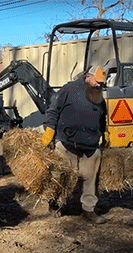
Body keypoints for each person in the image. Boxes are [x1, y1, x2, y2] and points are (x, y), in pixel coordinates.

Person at [41, 66, 108, 224]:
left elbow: (102, 117)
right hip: (67, 144)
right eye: (97, 82)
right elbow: (53, 110)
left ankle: (88, 210)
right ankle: (56, 204)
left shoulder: (99, 97)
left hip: (90, 147)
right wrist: (50, 130)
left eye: (102, 83)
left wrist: (104, 132)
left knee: (90, 180)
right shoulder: (69, 90)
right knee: (62, 178)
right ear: (88, 77)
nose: (99, 85)